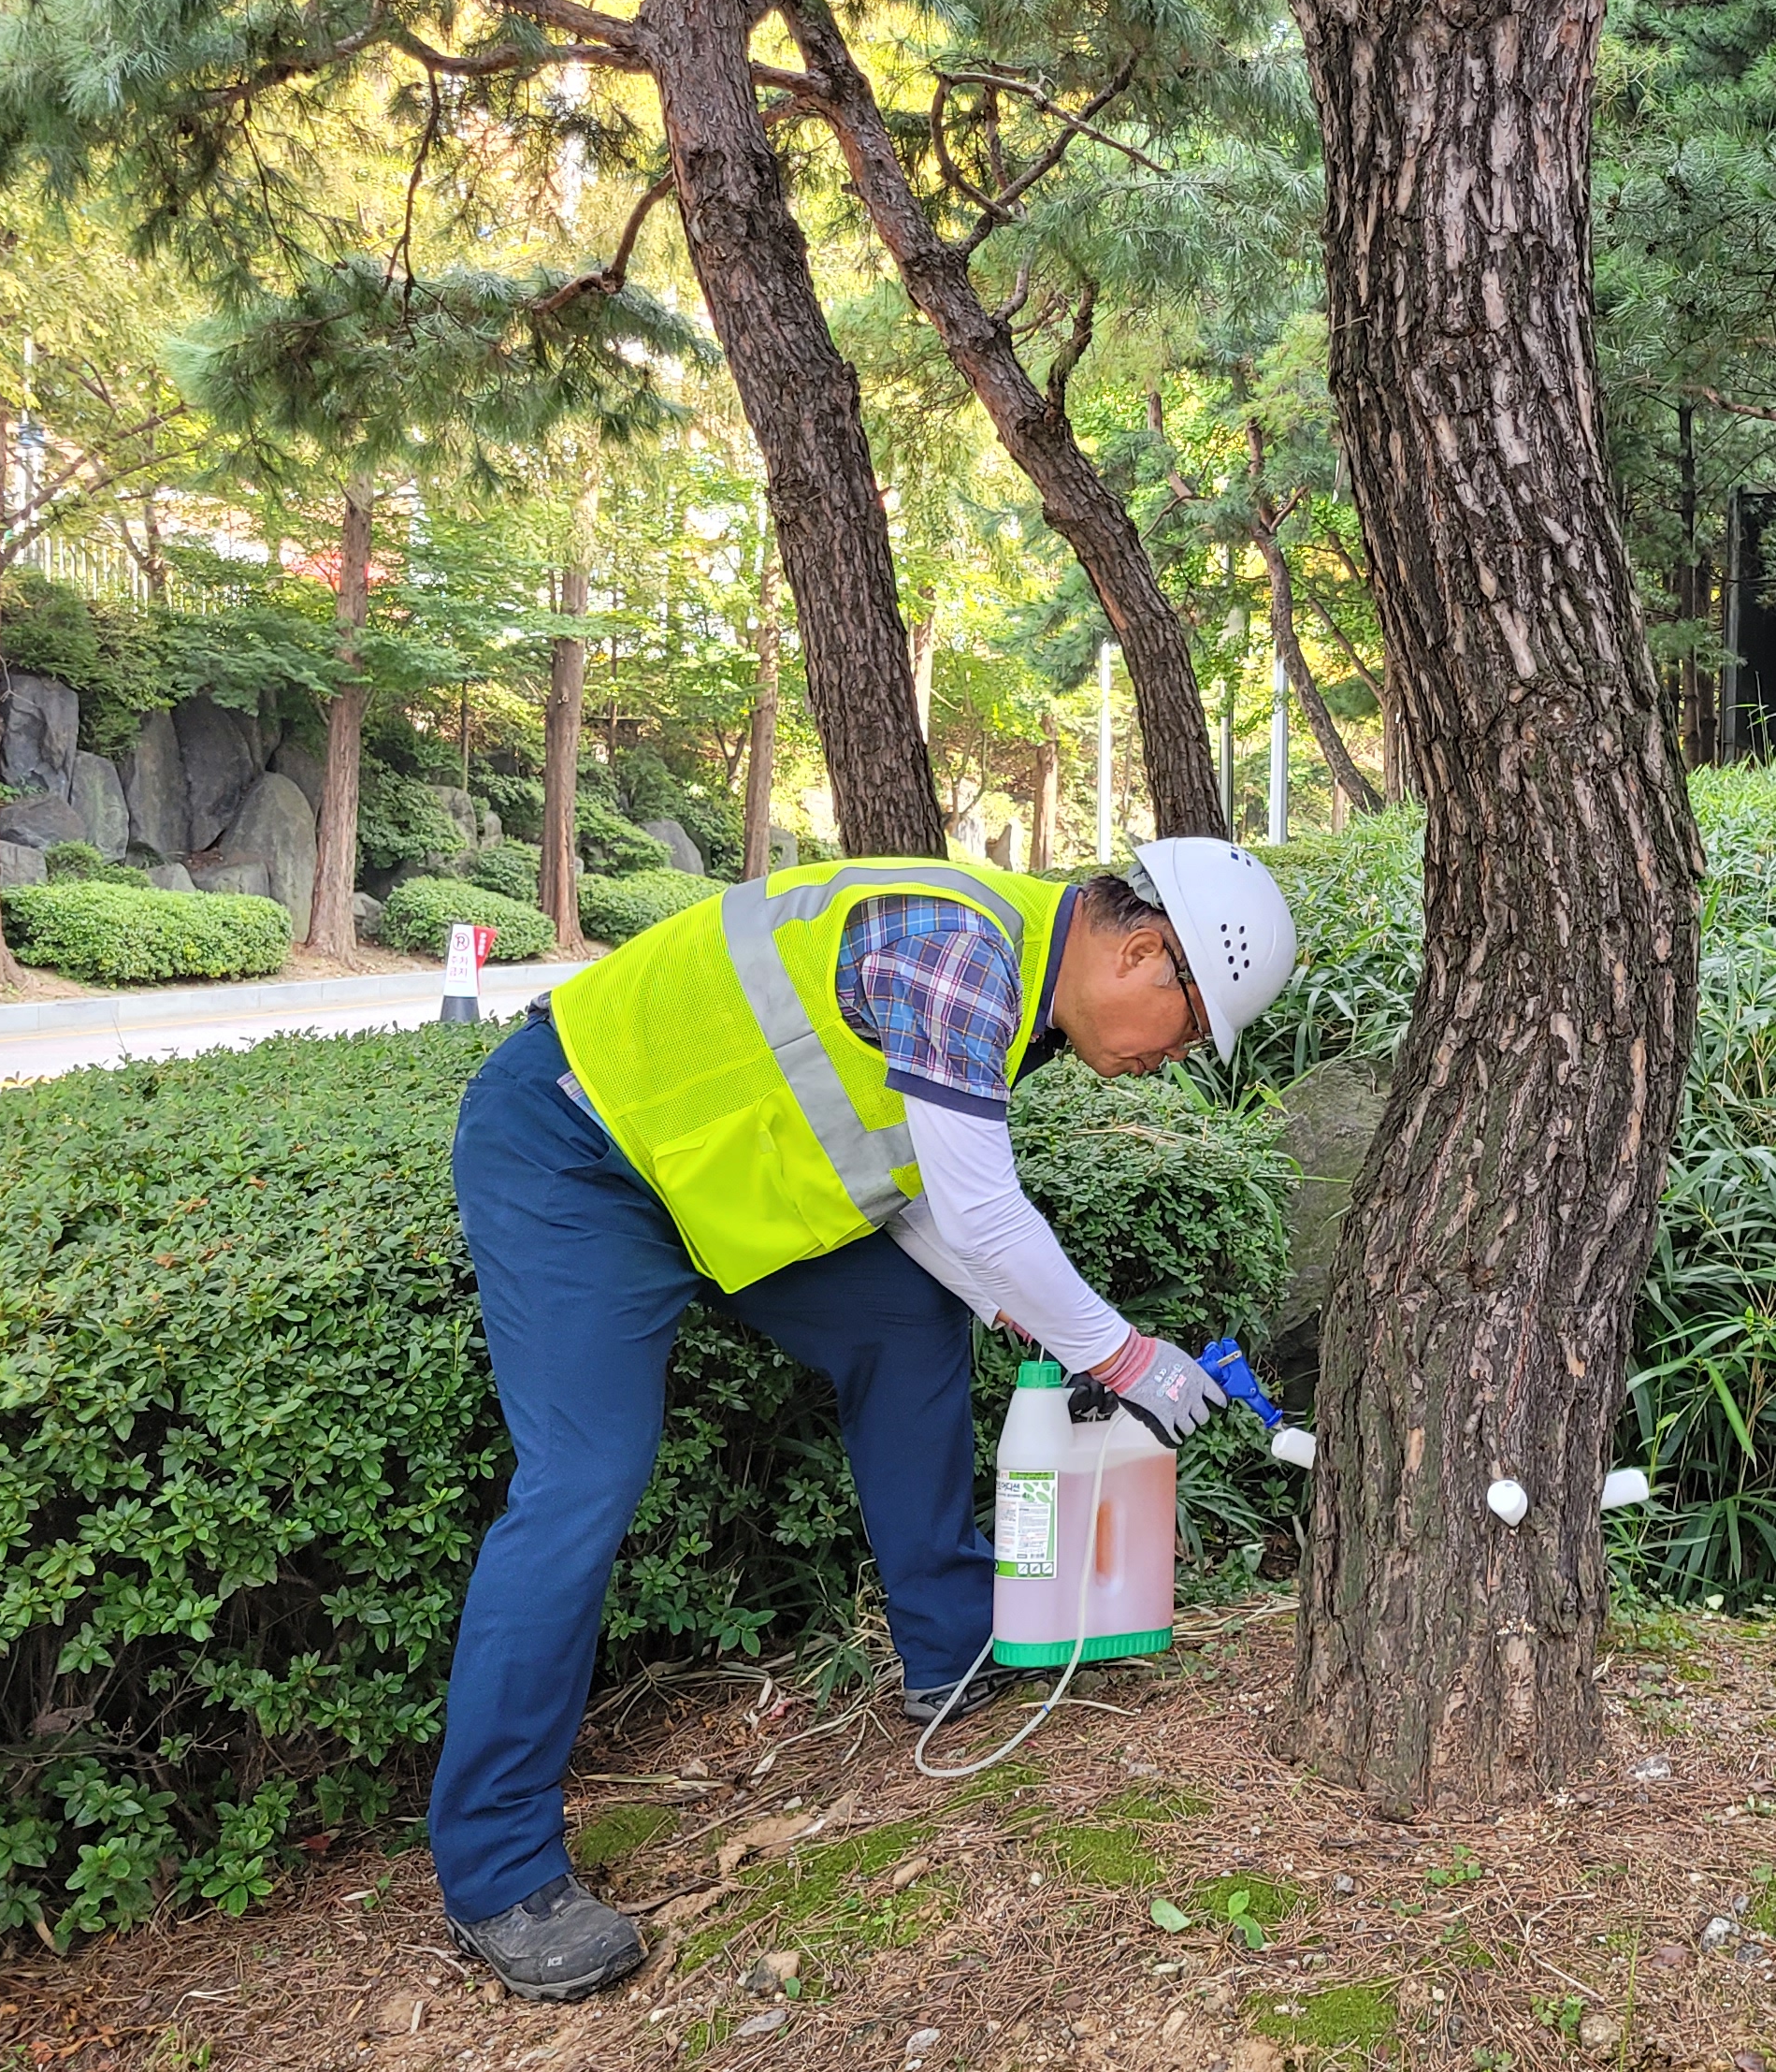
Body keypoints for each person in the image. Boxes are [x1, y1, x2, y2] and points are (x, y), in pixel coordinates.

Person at [429, 837, 1298, 1999]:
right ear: (1143, 953)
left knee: (905, 1323)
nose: (1174, 1058)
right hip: (577, 1151)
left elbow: (909, 1182)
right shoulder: (964, 954)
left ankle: (954, 1648)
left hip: (711, 1174)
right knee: (583, 1479)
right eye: (1190, 1030)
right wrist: (1123, 1354)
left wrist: (1020, 1310)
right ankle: (499, 1870)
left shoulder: (1020, 986)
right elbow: (985, 1211)